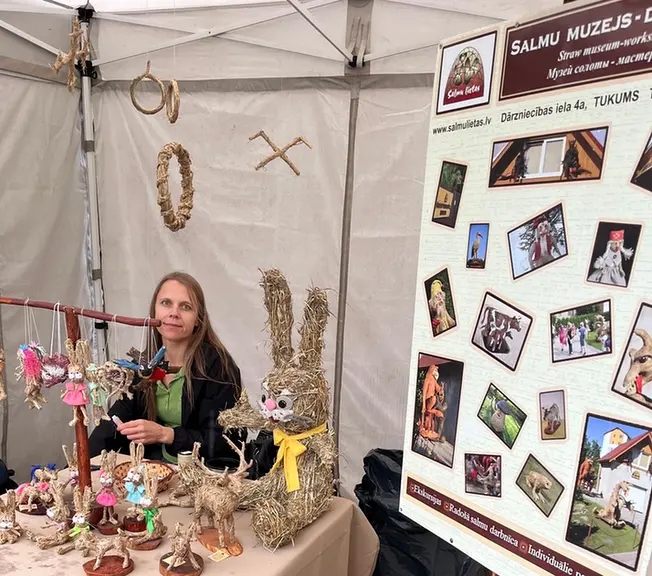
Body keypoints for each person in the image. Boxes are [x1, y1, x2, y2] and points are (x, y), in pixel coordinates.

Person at [89, 272, 244, 464]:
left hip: (203, 471)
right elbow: (113, 424)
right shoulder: (144, 366)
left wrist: (166, 434)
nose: (174, 313)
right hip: (152, 469)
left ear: (198, 319)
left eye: (185, 307)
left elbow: (224, 441)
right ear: (154, 311)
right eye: (166, 303)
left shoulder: (218, 368)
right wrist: (79, 466)